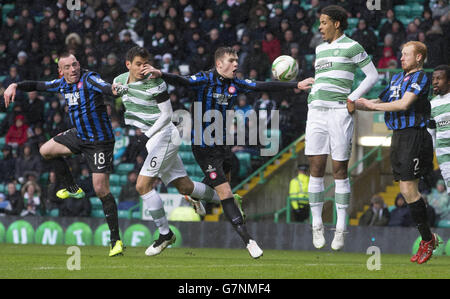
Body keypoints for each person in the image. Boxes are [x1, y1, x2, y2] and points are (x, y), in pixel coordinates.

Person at [146, 46, 315, 259]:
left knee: (223, 179)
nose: (236, 64)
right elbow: (184, 81)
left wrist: (295, 85)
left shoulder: (236, 83)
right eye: (231, 60)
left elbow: (263, 85)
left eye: (236, 60)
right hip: (204, 146)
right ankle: (249, 241)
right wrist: (162, 73)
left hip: (223, 145)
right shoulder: (205, 79)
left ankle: (194, 195)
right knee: (226, 193)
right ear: (219, 64)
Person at [3, 53, 124, 257]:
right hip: (79, 135)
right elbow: (38, 85)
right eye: (67, 66)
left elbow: (106, 87)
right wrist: (15, 85)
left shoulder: (89, 78)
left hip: (100, 142)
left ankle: (116, 241)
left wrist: (115, 89)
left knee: (101, 189)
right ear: (61, 71)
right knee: (45, 151)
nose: (73, 69)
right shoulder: (61, 84)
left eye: (75, 64)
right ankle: (72, 187)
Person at [112, 46, 225, 256]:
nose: (142, 68)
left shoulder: (156, 82)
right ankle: (228, 199)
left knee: (142, 185)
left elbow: (167, 115)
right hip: (152, 140)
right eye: (138, 64)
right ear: (128, 65)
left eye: (145, 64)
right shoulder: (119, 80)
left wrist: (145, 136)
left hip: (165, 135)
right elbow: (115, 90)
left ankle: (165, 234)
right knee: (186, 186)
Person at [296, 5, 378, 251]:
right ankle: (317, 224)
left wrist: (351, 98)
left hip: (339, 112)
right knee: (316, 168)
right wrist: (311, 84)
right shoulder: (319, 49)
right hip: (316, 111)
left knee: (339, 169)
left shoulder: (353, 46)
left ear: (337, 24)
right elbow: (324, 78)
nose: (319, 27)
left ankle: (341, 227)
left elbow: (372, 75)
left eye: (323, 22)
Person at [356, 41, 438, 264]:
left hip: (414, 135)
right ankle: (428, 238)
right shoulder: (396, 78)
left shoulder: (421, 78)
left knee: (409, 188)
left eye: (406, 55)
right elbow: (380, 100)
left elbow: (403, 104)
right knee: (405, 189)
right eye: (401, 54)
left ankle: (428, 239)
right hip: (399, 137)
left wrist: (371, 107)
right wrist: (356, 103)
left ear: (419, 57)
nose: (401, 58)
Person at [428, 65, 450, 192]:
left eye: (439, 78)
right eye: (433, 79)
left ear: (449, 81)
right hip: (444, 156)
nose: (435, 81)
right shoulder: (432, 104)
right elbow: (431, 133)